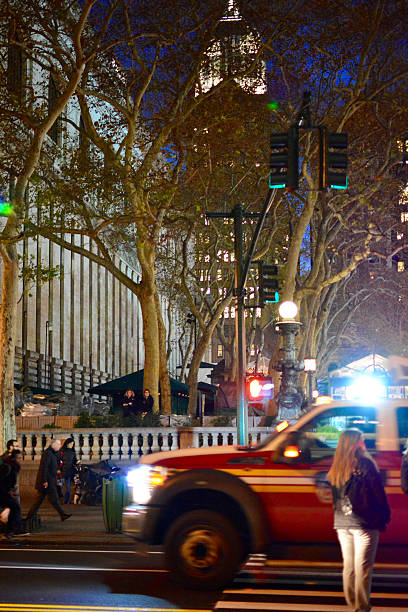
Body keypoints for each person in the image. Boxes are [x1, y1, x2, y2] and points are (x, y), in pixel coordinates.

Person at [327, 428, 390, 612]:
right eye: (361, 440)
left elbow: (334, 498)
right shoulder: (366, 464)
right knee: (363, 567)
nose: (364, 442)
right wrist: (385, 516)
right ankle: (362, 607)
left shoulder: (336, 466)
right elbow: (378, 494)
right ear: (355, 443)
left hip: (342, 522)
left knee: (349, 566)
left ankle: (352, 602)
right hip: (364, 522)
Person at [25, 439, 71, 522]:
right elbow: (44, 467)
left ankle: (30, 516)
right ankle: (62, 514)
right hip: (48, 481)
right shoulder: (48, 453)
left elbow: (51, 465)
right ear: (53, 444)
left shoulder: (52, 453)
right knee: (52, 499)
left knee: (41, 500)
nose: (60, 446)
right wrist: (45, 480)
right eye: (58, 444)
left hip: (50, 480)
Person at [0, 449, 28, 536]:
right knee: (15, 507)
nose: (20, 460)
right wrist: (9, 491)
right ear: (14, 459)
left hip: (6, 491)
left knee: (13, 508)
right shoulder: (8, 467)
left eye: (21, 458)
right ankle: (13, 529)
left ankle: (10, 530)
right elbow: (2, 481)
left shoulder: (14, 467)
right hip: (3, 492)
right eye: (18, 458)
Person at [57, 438, 77, 504]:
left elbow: (74, 461)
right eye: (71, 444)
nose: (72, 445)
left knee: (68, 488)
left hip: (69, 472)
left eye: (73, 444)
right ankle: (58, 500)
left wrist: (77, 462)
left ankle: (66, 501)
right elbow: (57, 461)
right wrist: (58, 469)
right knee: (59, 486)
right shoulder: (61, 451)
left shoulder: (73, 452)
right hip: (61, 473)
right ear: (67, 444)